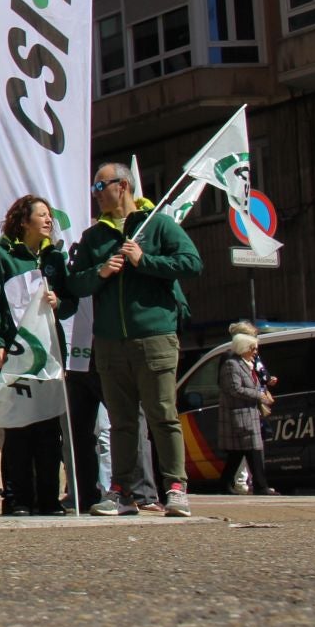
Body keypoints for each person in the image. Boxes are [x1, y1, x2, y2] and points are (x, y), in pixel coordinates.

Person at [65, 161, 201, 518]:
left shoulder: (158, 224)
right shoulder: (94, 236)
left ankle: (175, 486)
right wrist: (100, 271)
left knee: (162, 414)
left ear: (122, 186)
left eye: (100, 187)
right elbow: (75, 283)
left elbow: (191, 263)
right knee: (121, 420)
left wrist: (145, 260)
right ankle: (122, 491)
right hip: (109, 342)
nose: (96, 195)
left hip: (154, 336)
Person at [0, 195, 76, 517]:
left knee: (49, 429)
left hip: (48, 354)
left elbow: (71, 302)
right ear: (24, 221)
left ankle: (47, 499)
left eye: (50, 216)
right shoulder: (2, 256)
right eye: (42, 215)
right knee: (18, 429)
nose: (49, 220)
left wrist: (58, 300)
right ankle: (17, 498)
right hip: (18, 354)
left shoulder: (54, 257)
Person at [218, 321, 277, 496]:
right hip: (240, 415)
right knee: (252, 451)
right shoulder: (231, 364)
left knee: (240, 453)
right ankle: (260, 485)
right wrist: (259, 395)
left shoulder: (246, 364)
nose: (255, 352)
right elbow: (234, 388)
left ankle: (226, 483)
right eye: (253, 348)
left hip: (248, 414)